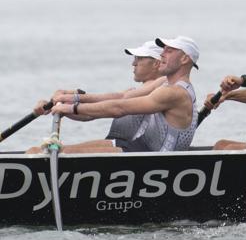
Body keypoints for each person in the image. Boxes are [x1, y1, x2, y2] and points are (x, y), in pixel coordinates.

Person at [29, 36, 200, 153]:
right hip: (132, 149)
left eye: (170, 51)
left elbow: (119, 106)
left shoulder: (174, 92)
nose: (163, 53)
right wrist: (66, 103)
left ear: (185, 59)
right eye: (163, 50)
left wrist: (72, 105)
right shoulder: (164, 84)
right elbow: (118, 100)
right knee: (40, 151)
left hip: (147, 159)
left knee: (39, 153)